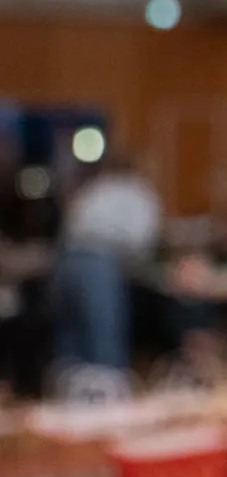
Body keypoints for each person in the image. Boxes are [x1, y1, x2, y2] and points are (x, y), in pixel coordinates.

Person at [48, 151, 160, 376]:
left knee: (70, 338)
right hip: (99, 263)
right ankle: (107, 391)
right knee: (103, 335)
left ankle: (66, 390)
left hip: (66, 261)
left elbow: (69, 225)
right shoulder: (138, 193)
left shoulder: (95, 187)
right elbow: (139, 241)